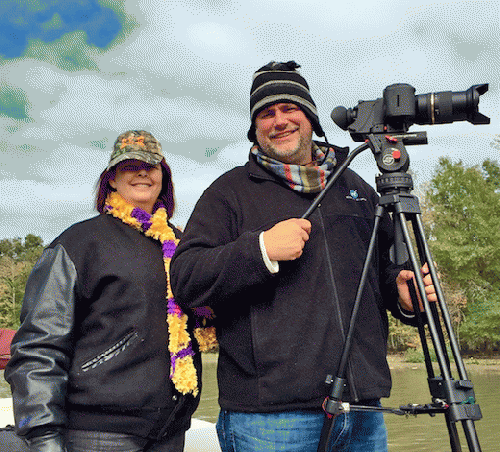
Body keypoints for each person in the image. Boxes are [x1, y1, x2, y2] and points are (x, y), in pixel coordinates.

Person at [170, 61, 436, 452]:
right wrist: (259, 250)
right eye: (266, 113)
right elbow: (187, 279)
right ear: (254, 127)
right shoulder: (228, 192)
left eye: (288, 108)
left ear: (309, 115)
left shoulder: (358, 188)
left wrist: (403, 296)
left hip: (364, 410)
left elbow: (386, 274)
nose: (279, 121)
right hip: (270, 420)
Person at [5, 130, 215, 452]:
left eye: (153, 165)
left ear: (164, 178)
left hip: (170, 430)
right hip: (98, 433)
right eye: (130, 164)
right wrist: (44, 436)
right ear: (112, 180)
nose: (143, 171)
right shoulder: (77, 244)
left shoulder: (184, 246)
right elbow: (38, 346)